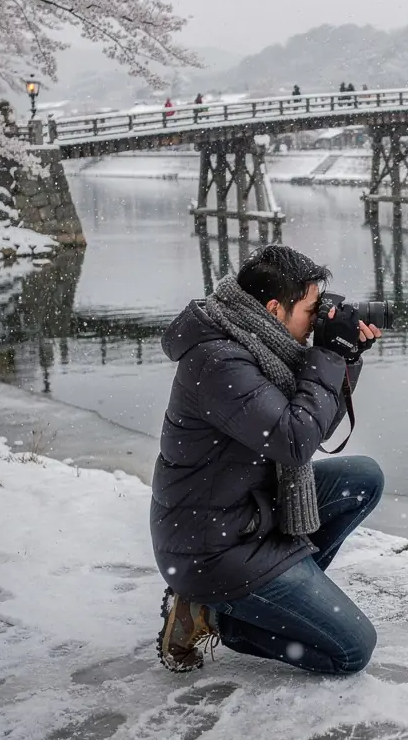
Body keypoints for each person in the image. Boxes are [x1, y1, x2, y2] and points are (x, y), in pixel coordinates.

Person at [152, 245, 384, 675]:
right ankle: (208, 613)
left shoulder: (261, 342)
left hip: (247, 514)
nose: (317, 321)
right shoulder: (219, 361)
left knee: (364, 478)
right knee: (352, 650)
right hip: (211, 548)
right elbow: (295, 441)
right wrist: (329, 355)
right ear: (275, 307)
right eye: (311, 310)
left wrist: (346, 358)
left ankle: (281, 596)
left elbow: (317, 429)